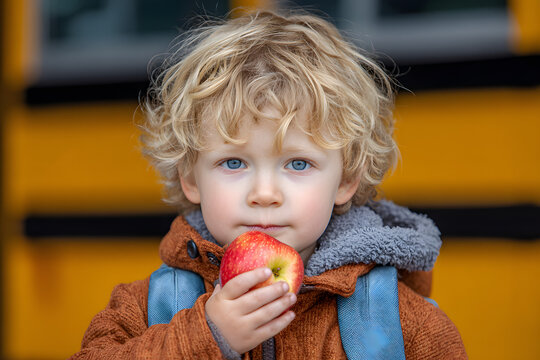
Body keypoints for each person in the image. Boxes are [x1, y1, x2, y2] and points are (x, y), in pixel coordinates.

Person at [70, 9, 467, 359]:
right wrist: (206, 337)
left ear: (345, 180)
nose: (264, 194)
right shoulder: (144, 308)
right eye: (233, 162)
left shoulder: (401, 322)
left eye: (297, 163)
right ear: (190, 178)